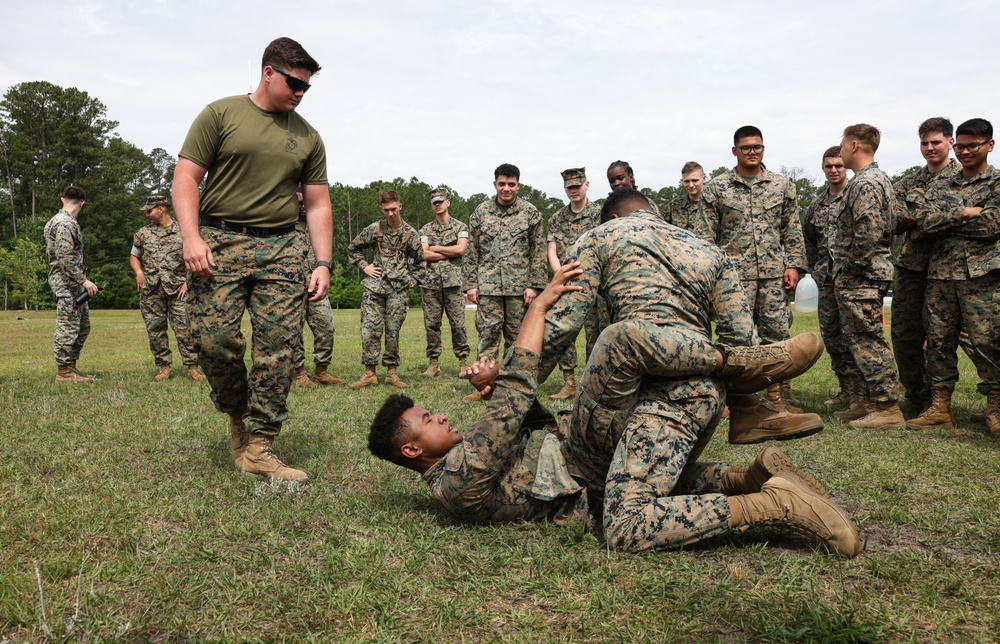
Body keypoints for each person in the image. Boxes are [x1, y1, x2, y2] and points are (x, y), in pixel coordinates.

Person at [368, 261, 859, 557]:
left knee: (621, 347)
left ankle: (746, 400)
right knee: (619, 349)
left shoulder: (467, 462)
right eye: (427, 421)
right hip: (588, 459)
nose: (441, 417)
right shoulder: (456, 482)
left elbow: (527, 420)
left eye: (433, 412)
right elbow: (517, 396)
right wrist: (535, 312)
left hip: (586, 452)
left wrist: (498, 384)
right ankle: (765, 494)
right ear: (412, 450)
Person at [537, 189, 826, 528]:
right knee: (648, 472)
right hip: (705, 398)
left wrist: (514, 384)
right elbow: (741, 339)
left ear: (614, 218)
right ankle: (753, 476)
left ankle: (775, 505)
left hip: (649, 396)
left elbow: (561, 327)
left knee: (623, 514)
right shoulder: (710, 251)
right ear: (654, 211)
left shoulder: (599, 236)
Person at [173, 37, 333, 482]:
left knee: (279, 348)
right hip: (219, 242)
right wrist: (190, 237)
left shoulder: (307, 136)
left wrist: (323, 262)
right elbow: (185, 177)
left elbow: (318, 204)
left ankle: (261, 445)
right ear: (268, 73)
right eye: (294, 82)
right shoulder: (221, 114)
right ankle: (237, 416)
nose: (300, 93)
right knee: (213, 342)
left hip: (283, 248)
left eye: (306, 86)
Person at [697, 126, 808, 412]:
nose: (752, 152)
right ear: (734, 151)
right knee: (735, 338)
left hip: (774, 275)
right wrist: (710, 278)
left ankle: (779, 396)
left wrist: (794, 265)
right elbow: (705, 237)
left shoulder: (782, 186)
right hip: (733, 279)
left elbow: (792, 230)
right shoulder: (716, 188)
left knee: (777, 335)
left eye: (757, 146)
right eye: (746, 147)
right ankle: (735, 398)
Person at [907, 118, 1000, 436]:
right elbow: (921, 224)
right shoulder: (940, 184)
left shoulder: (997, 183)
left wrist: (943, 220)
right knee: (937, 344)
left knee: (988, 343)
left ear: (989, 145)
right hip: (940, 276)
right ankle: (940, 408)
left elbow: (991, 226)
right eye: (959, 145)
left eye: (971, 145)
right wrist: (963, 212)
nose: (964, 151)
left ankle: (996, 409)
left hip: (981, 278)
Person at [832, 123, 904, 429]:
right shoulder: (878, 179)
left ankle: (887, 407)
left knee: (867, 339)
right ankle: (874, 402)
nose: (840, 148)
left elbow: (868, 233)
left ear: (854, 146)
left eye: (843, 143)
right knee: (863, 338)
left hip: (862, 276)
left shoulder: (866, 183)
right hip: (866, 274)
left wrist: (851, 267)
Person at [462, 163, 547, 402]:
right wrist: (470, 284)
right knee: (487, 338)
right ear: (495, 184)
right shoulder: (481, 213)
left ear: (518, 185)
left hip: (520, 290)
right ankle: (482, 387)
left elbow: (538, 251)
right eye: (502, 184)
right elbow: (472, 251)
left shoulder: (530, 213)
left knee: (518, 340)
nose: (506, 188)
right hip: (487, 288)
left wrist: (534, 285)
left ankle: (516, 386)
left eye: (511, 184)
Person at [348, 189, 426, 389]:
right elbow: (353, 248)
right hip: (374, 288)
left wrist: (413, 279)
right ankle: (369, 374)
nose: (390, 214)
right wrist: (365, 266)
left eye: (393, 209)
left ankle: (392, 373)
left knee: (393, 331)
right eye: (386, 210)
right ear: (382, 209)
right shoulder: (375, 229)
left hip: (398, 290)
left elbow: (420, 263)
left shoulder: (411, 234)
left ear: (399, 206)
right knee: (369, 330)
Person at [545, 167, 605, 400]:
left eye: (578, 186)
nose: (574, 191)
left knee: (596, 334)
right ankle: (569, 382)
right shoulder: (557, 219)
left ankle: (593, 383)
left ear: (586, 185)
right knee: (565, 334)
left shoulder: (601, 213)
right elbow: (552, 250)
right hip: (569, 283)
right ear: (565, 189)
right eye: (570, 187)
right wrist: (561, 274)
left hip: (597, 286)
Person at [130, 195, 204, 382]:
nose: (147, 214)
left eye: (149, 210)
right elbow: (134, 256)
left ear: (161, 209)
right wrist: (139, 272)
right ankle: (165, 367)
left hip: (179, 288)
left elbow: (195, 257)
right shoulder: (143, 233)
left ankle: (193, 367)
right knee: (155, 329)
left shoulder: (184, 231)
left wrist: (188, 282)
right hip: (152, 289)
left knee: (185, 328)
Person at [802, 147, 852, 406]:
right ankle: (847, 390)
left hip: (854, 279)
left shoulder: (856, 197)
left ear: (847, 167)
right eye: (829, 166)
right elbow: (808, 241)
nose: (834, 170)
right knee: (833, 336)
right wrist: (816, 270)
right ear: (823, 167)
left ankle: (864, 394)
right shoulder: (816, 205)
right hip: (827, 280)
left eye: (839, 166)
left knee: (857, 336)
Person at [291, 190, 345, 388]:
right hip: (292, 286)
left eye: (307, 201)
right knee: (294, 332)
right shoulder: (284, 225)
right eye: (299, 202)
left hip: (315, 285)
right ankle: (299, 374)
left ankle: (321, 371)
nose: (304, 205)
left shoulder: (317, 225)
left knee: (326, 327)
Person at [45, 185, 98, 383]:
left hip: (73, 285)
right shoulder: (64, 223)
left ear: (62, 199)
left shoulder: (63, 221)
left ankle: (71, 367)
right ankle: (64, 373)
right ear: (82, 203)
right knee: (68, 326)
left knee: (82, 326)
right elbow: (65, 257)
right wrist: (84, 281)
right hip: (67, 284)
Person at [418, 187, 471, 380]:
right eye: (434, 202)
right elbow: (423, 253)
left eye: (441, 201)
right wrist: (449, 250)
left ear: (448, 202)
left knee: (458, 325)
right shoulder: (425, 229)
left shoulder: (460, 227)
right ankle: (434, 364)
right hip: (430, 284)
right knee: (431, 325)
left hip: (453, 284)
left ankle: (463, 363)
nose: (438, 204)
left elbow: (461, 250)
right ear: (432, 206)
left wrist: (436, 248)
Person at [666, 161, 707, 233]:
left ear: (703, 179)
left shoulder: (713, 204)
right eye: (687, 181)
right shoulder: (674, 206)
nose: (691, 185)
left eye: (694, 180)